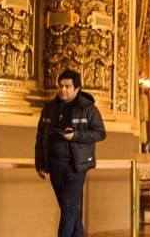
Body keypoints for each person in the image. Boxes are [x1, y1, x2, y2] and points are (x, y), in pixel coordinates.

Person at [35, 69, 107, 237]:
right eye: (60, 86)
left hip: (76, 166)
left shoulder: (87, 108)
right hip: (54, 165)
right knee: (70, 208)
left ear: (77, 88)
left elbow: (100, 133)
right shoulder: (49, 108)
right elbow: (40, 137)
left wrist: (75, 135)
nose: (63, 89)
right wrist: (40, 164)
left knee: (68, 206)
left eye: (67, 86)